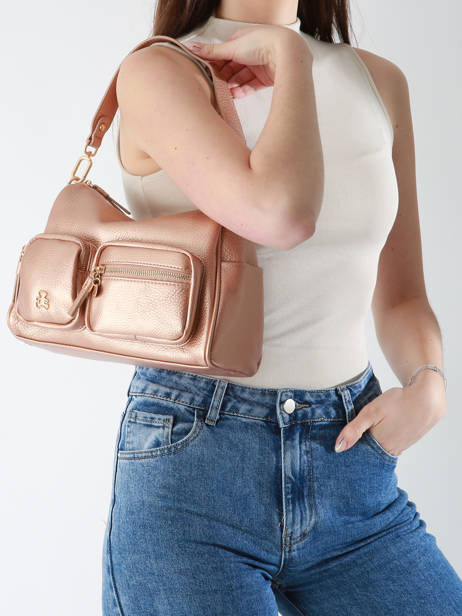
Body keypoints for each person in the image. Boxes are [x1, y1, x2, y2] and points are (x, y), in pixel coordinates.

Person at [102, 1, 462, 614]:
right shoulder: (162, 71)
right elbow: (281, 214)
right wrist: (290, 58)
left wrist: (429, 384)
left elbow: (403, 295)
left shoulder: (379, 82)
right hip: (195, 473)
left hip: (351, 469)